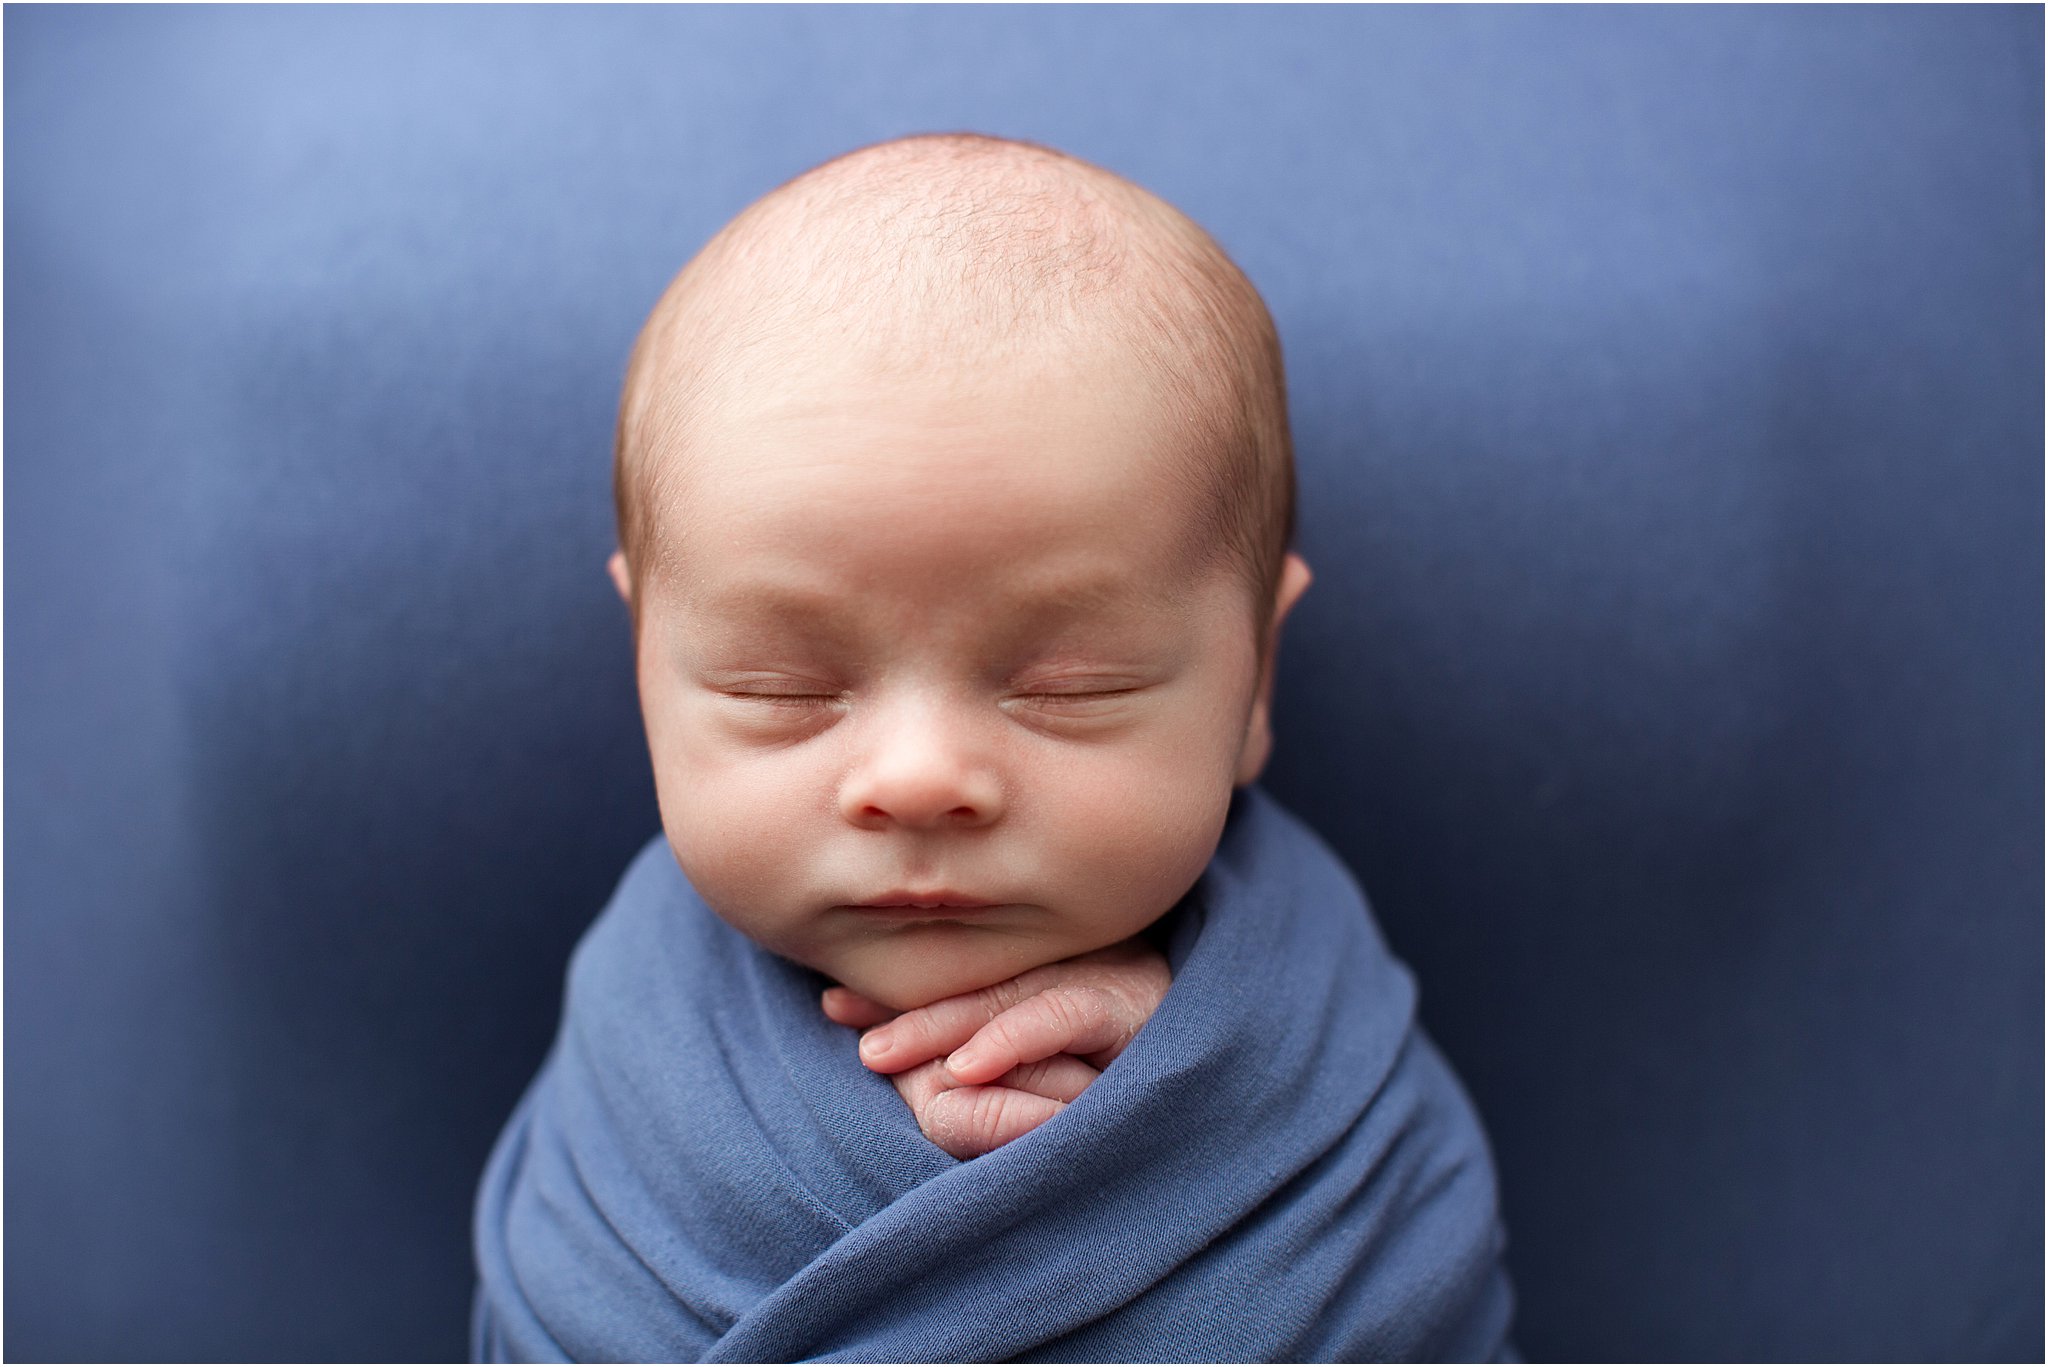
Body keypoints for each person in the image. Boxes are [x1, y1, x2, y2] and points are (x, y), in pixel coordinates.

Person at [472, 132, 1516, 1362]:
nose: (918, 777)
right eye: (782, 685)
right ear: (647, 662)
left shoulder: (1320, 1056)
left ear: (1252, 683)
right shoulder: (639, 1048)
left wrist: (1178, 1089)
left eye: (1072, 686)